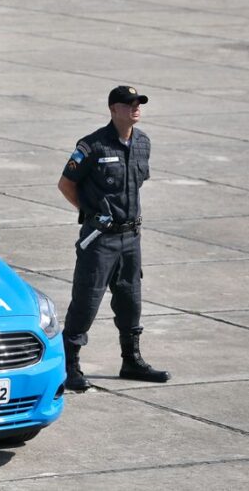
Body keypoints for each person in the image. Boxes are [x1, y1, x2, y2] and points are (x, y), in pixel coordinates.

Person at [57, 86, 171, 392]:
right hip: (101, 239)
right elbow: (66, 183)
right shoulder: (92, 145)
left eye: (138, 103)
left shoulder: (143, 142)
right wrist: (91, 213)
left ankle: (131, 360)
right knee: (87, 300)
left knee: (130, 300)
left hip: (131, 237)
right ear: (113, 109)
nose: (135, 108)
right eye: (129, 104)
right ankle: (70, 364)